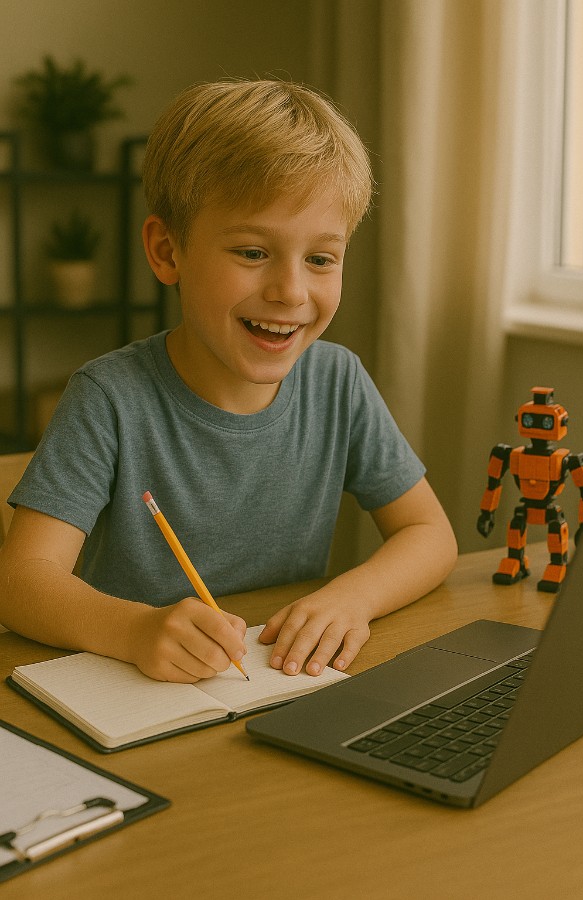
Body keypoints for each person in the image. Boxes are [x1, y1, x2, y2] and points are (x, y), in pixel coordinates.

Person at [0, 79, 457, 683]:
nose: (291, 292)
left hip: (273, 685)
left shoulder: (337, 381)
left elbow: (429, 533)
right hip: (131, 688)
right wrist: (134, 629)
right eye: (251, 252)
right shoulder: (109, 397)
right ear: (168, 252)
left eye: (321, 259)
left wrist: (352, 598)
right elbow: (20, 580)